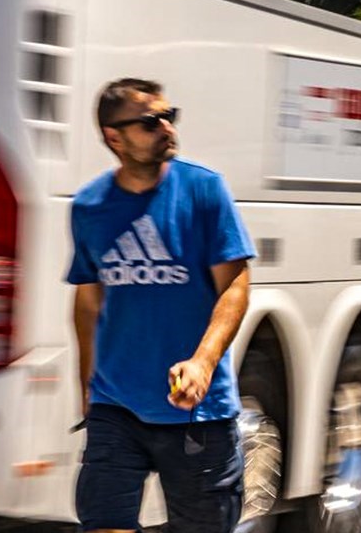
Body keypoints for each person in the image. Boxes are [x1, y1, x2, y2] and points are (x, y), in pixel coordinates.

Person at [67, 78, 256, 533]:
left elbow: (235, 286)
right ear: (115, 137)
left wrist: (203, 362)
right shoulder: (89, 206)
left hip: (198, 415)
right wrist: (87, 390)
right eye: (151, 122)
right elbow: (88, 302)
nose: (166, 128)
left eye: (169, 117)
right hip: (117, 408)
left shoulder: (204, 191)